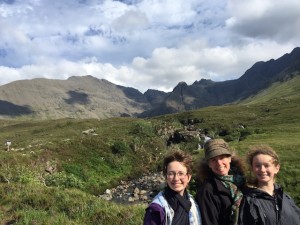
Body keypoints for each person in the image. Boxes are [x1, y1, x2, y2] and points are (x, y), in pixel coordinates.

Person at [238, 144, 300, 225]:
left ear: (276, 168)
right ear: (252, 169)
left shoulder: (286, 198)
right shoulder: (248, 201)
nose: (262, 170)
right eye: (257, 166)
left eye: (267, 165)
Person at [143, 150, 202, 225]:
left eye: (181, 173)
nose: (176, 178)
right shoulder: (157, 209)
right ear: (166, 176)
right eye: (171, 174)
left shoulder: (192, 202)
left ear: (189, 177)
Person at [195, 139, 245, 225]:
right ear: (209, 164)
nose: (219, 163)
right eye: (213, 160)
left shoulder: (243, 181)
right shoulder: (207, 191)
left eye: (222, 158)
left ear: (229, 158)